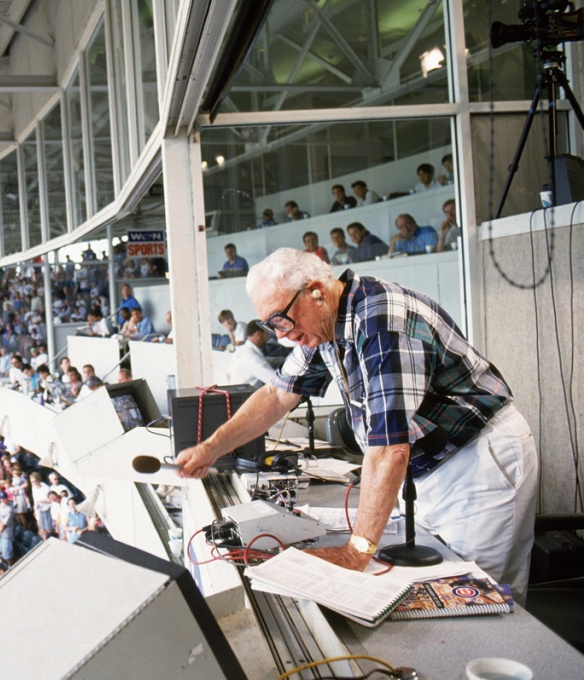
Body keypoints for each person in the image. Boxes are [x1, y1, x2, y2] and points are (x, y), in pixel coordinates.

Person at [175, 248, 538, 602]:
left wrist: (356, 551)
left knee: (483, 598)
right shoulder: (325, 323)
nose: (281, 334)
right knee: (452, 588)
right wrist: (211, 449)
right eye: (269, 324)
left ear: (316, 291)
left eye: (281, 319)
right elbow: (276, 395)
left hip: (478, 461)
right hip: (435, 467)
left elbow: (390, 449)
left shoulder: (382, 321)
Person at [227, 321, 277, 387]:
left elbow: (227, 374)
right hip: (247, 395)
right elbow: (277, 382)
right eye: (266, 334)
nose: (268, 338)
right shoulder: (253, 357)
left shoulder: (241, 350)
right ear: (258, 335)